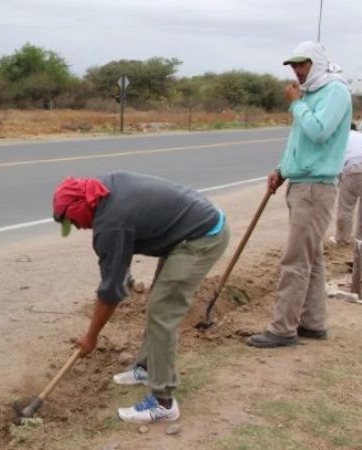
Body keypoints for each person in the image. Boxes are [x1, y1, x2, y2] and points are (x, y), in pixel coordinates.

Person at [53, 172, 229, 424]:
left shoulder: (112, 223)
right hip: (185, 231)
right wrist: (121, 277)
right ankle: (147, 369)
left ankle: (163, 402)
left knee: (162, 312)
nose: (78, 228)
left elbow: (111, 291)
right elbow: (119, 274)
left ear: (80, 206)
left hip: (203, 237)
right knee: (159, 303)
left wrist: (91, 336)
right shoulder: (101, 191)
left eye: (72, 221)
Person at [247, 41, 352, 348]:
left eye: (301, 64)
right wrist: (282, 168)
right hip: (301, 183)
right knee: (312, 258)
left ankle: (283, 329)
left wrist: (296, 104)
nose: (296, 71)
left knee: (295, 261)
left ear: (316, 63)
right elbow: (300, 143)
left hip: (315, 188)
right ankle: (314, 322)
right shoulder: (311, 94)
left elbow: (319, 131)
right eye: (293, 65)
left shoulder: (334, 91)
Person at [330, 123, 362, 246]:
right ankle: (360, 240)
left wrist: (339, 183)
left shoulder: (340, 138)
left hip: (353, 168)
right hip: (356, 165)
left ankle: (342, 239)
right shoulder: (359, 136)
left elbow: (336, 165)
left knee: (346, 207)